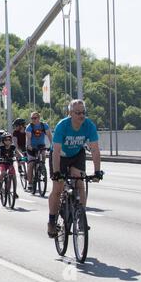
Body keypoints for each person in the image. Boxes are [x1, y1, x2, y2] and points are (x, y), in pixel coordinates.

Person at [47, 100, 103, 238]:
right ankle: (52, 221)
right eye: (78, 113)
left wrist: (97, 172)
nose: (81, 115)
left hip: (77, 154)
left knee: (80, 183)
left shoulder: (89, 125)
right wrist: (56, 173)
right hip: (60, 156)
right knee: (58, 189)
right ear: (70, 113)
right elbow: (56, 151)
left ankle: (80, 218)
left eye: (83, 112)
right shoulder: (63, 125)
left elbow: (95, 150)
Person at [26, 112, 53, 192]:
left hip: (41, 145)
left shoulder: (44, 125)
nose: (33, 120)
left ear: (39, 118)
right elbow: (28, 138)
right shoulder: (30, 127)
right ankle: (30, 183)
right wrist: (29, 146)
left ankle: (42, 168)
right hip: (31, 146)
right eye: (32, 118)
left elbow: (49, 135)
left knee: (44, 155)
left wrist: (52, 145)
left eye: (35, 118)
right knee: (31, 164)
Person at [0, 132, 25, 199]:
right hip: (3, 163)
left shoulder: (13, 147)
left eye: (9, 139)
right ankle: (0, 182)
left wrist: (22, 157)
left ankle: (14, 192)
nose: (7, 141)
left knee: (14, 176)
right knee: (3, 172)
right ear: (3, 141)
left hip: (10, 163)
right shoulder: (1, 147)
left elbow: (19, 153)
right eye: (6, 140)